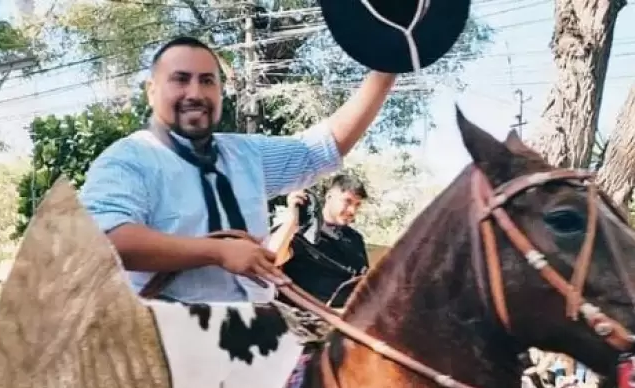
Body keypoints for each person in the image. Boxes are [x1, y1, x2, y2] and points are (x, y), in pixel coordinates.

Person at [79, 36, 397, 303]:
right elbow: (104, 241)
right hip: (164, 341)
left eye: (207, 81)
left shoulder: (247, 154)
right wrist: (217, 252)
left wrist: (389, 65)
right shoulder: (129, 158)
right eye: (180, 79)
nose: (195, 93)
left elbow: (321, 149)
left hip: (256, 335)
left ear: (220, 92)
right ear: (151, 91)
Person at [269, 174, 371, 306]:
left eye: (357, 205)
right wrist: (292, 219)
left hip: (342, 313)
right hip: (299, 312)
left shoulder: (355, 239)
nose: (352, 210)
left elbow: (363, 282)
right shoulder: (302, 230)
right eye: (348, 201)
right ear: (329, 197)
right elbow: (272, 258)